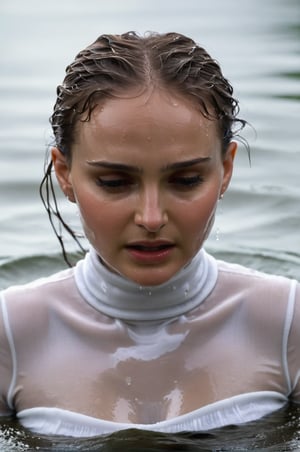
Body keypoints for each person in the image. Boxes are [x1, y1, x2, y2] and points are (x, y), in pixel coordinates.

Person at [0, 31, 299, 438]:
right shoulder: (11, 333)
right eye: (114, 182)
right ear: (65, 174)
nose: (152, 217)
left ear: (226, 170)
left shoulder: (286, 323)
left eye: (187, 179)